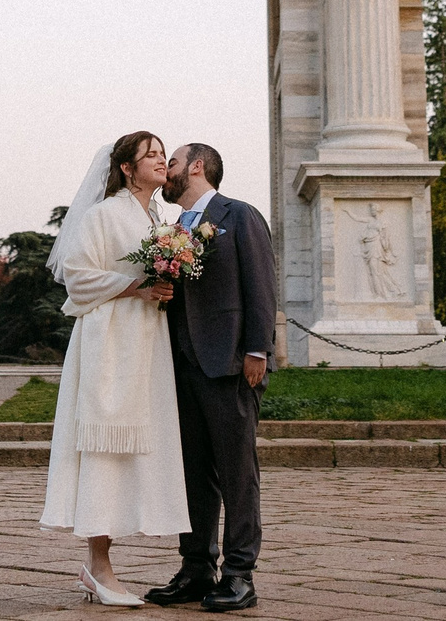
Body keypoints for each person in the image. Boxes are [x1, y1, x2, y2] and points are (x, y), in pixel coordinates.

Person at [42, 131, 191, 607]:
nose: (162, 161)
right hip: (109, 346)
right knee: (104, 450)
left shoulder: (158, 219)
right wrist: (137, 287)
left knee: (137, 452)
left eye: (164, 154)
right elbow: (77, 276)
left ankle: (105, 561)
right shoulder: (103, 214)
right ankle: (99, 566)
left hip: (148, 348)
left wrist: (163, 288)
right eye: (151, 155)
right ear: (126, 168)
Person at [144, 143, 275, 613]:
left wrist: (258, 348)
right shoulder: (169, 229)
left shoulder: (238, 215)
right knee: (192, 474)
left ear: (196, 167)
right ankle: (197, 567)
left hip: (231, 362)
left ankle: (240, 573)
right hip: (181, 366)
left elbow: (260, 282)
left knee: (238, 473)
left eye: (173, 162)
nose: (167, 170)